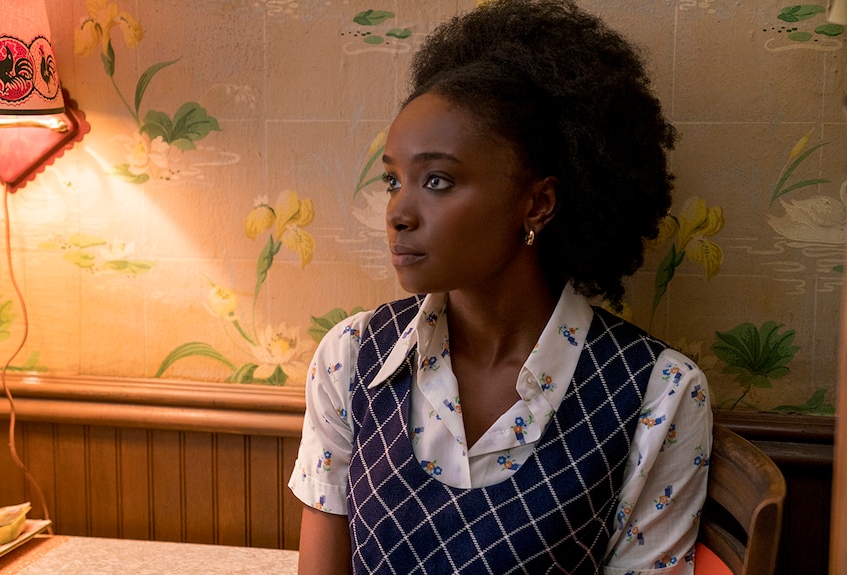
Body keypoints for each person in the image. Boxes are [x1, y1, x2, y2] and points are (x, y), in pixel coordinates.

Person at [288, 0, 712, 572]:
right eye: (394, 179)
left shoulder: (657, 394)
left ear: (537, 202)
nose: (398, 212)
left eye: (437, 180)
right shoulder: (351, 358)